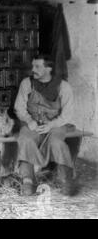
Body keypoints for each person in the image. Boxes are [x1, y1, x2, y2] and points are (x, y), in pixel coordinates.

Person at [14, 54, 77, 196]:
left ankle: (66, 179)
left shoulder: (63, 86)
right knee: (26, 140)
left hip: (55, 124)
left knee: (56, 143)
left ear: (49, 68)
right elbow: (19, 107)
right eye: (32, 66)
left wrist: (51, 125)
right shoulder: (27, 83)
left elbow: (67, 114)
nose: (33, 69)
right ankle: (28, 181)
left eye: (37, 66)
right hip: (32, 123)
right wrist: (29, 121)